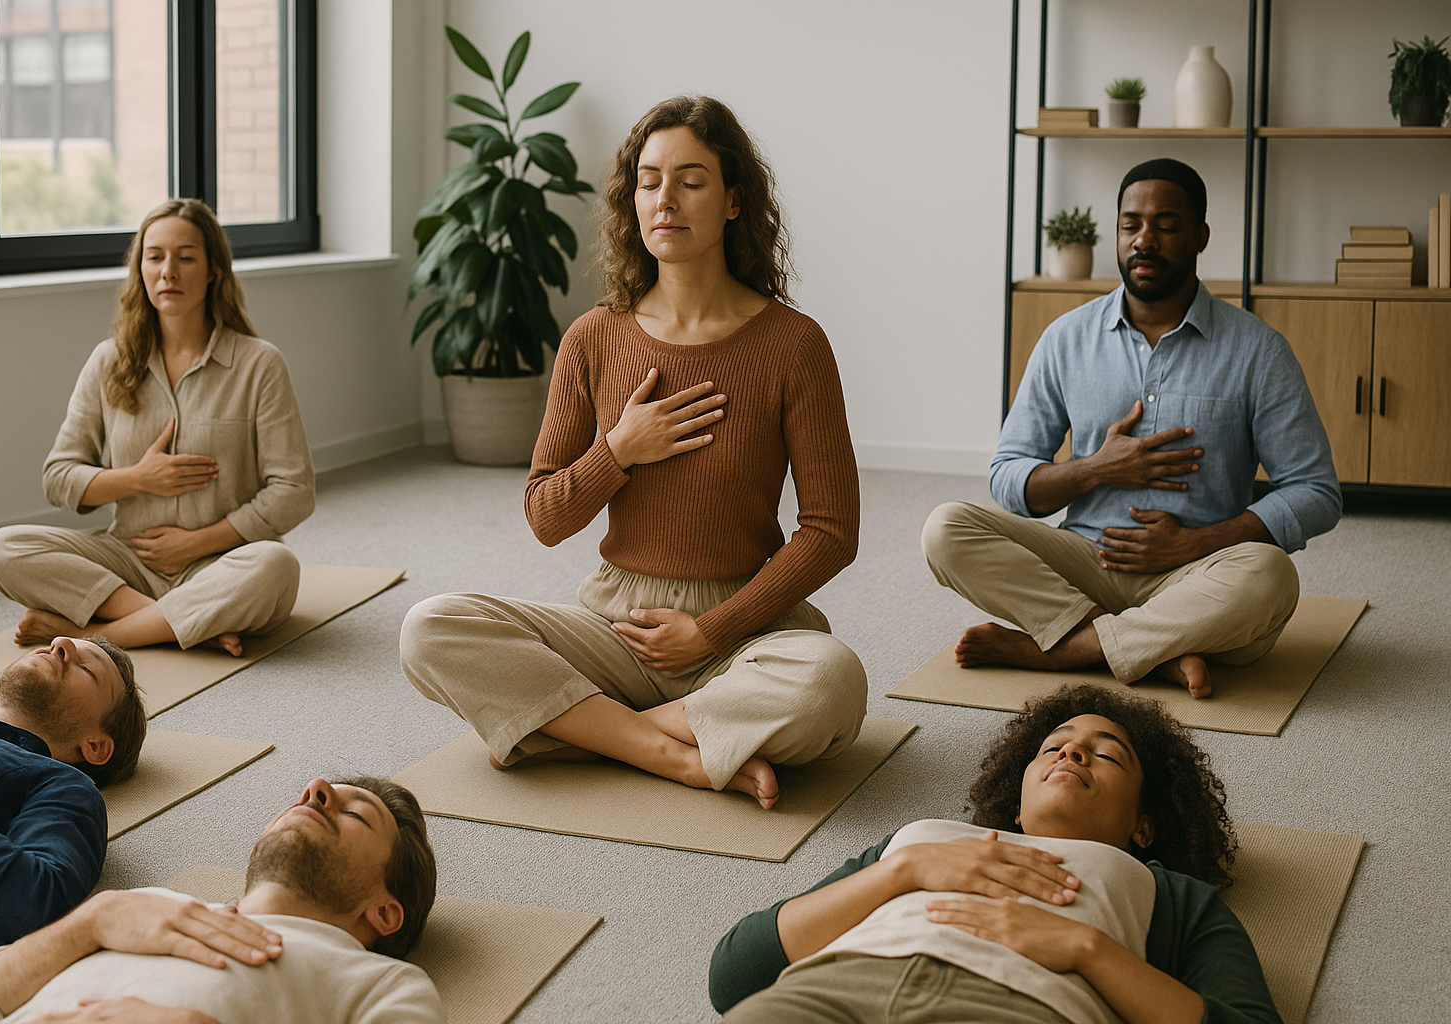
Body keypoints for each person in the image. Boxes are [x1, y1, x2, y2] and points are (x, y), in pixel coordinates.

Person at [400, 96, 866, 810]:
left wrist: (709, 631)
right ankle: (667, 750)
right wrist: (619, 448)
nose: (665, 200)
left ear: (735, 200)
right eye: (649, 181)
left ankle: (580, 733)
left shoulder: (794, 345)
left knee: (832, 680)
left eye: (691, 179)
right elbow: (545, 516)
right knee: (429, 627)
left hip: (743, 631)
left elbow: (832, 532)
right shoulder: (593, 337)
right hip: (616, 630)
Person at [924, 158, 1340, 698]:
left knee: (1271, 576)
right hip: (1083, 565)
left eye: (1165, 226)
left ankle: (1067, 649)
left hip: (1196, 575)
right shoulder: (1065, 339)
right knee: (945, 527)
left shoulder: (1258, 350)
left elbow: (1316, 492)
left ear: (1200, 236)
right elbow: (1010, 478)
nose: (1145, 239)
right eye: (1130, 225)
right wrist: (1095, 469)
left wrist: (1192, 544)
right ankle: (1148, 651)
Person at [709, 684, 1281, 1024]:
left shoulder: (1169, 894)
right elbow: (736, 973)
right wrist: (901, 872)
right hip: (828, 994)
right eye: (1055, 745)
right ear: (1016, 799)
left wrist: (1087, 949)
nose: (1074, 752)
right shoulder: (917, 837)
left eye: (1106, 756)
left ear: (1144, 827)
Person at [0, 198, 316, 658]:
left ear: (213, 269)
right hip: (128, 563)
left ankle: (103, 635)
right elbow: (58, 477)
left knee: (276, 564)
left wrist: (196, 543)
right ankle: (177, 620)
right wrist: (138, 478)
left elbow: (294, 491)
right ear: (140, 268)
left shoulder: (259, 364)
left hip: (221, 563)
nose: (168, 272)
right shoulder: (108, 360)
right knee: (4, 548)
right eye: (155, 256)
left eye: (186, 257)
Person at [0, 776, 442, 1024]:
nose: (315, 788)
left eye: (356, 814)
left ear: (384, 912)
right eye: (308, 795)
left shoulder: (383, 984)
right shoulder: (142, 907)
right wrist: (90, 922)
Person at [0, 636, 145, 947]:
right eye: (56, 642)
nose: (58, 643)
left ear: (95, 745)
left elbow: (29, 905)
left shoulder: (63, 786)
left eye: (88, 670)